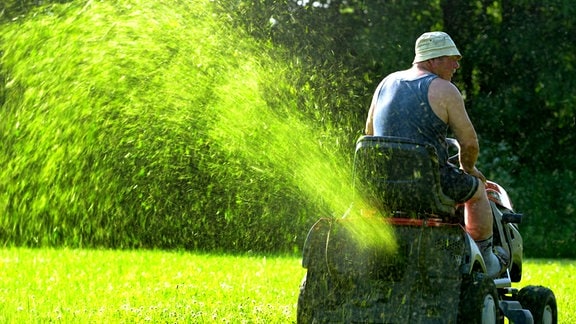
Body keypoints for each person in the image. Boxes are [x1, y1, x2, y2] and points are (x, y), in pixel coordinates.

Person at [364, 31, 507, 278]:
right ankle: (486, 258)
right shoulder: (445, 89)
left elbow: (369, 134)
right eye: (452, 58)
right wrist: (469, 169)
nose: (456, 64)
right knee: (477, 191)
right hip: (428, 186)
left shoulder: (385, 84)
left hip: (382, 187)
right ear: (433, 60)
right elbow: (470, 143)